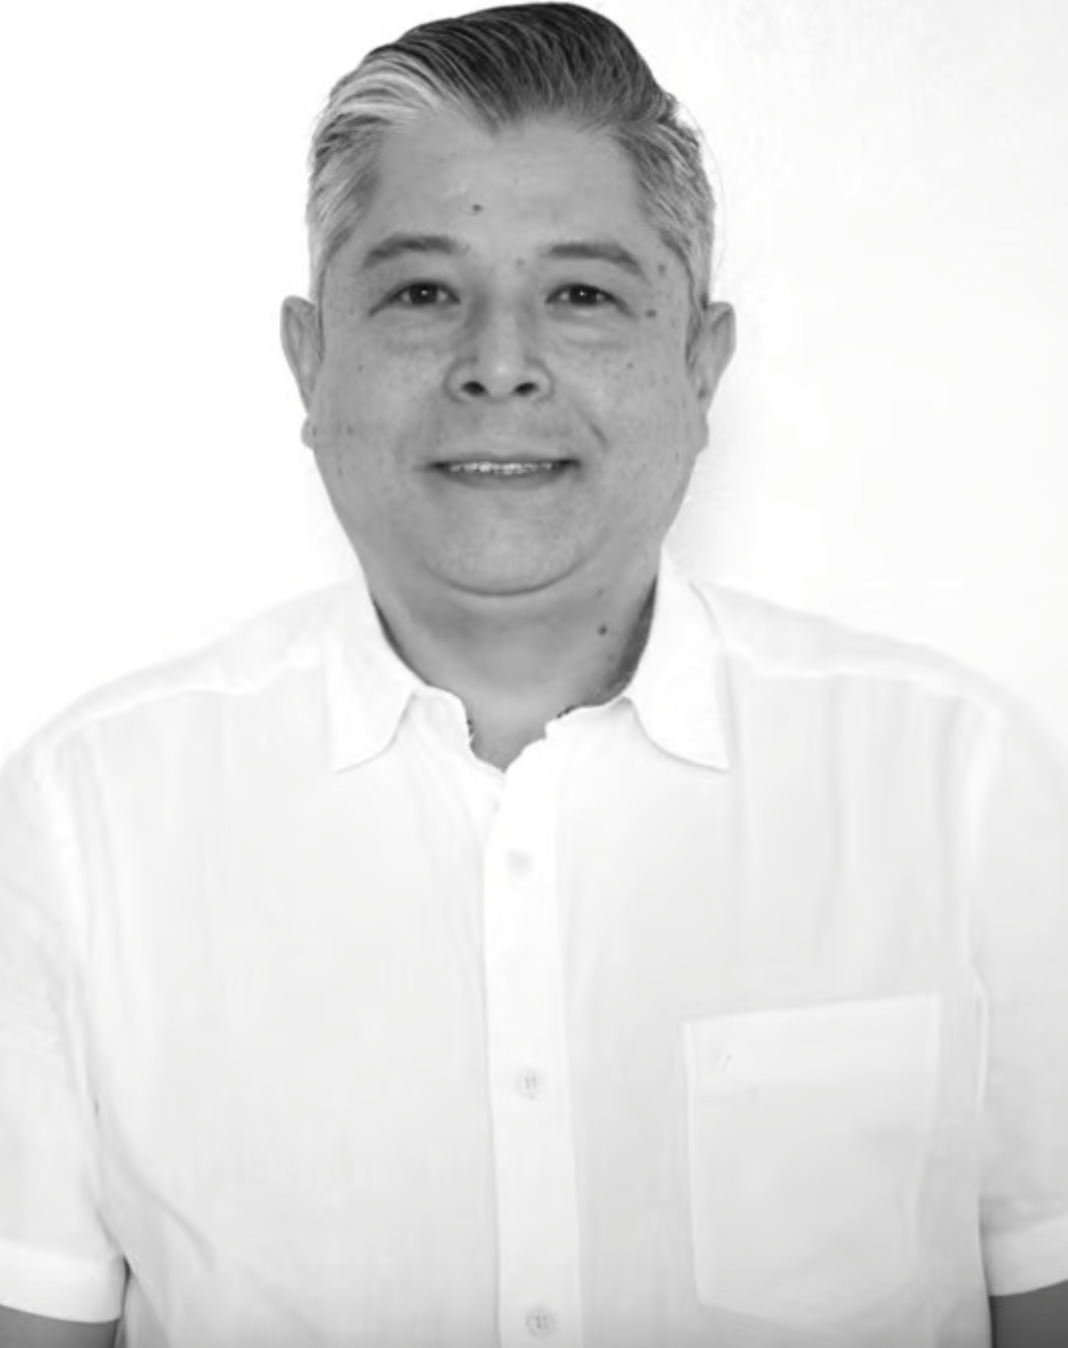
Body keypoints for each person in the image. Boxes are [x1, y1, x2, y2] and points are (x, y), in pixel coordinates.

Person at [1, 3, 1067, 1344]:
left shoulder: (958, 788)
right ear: (310, 361)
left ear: (701, 365)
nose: (499, 366)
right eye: (421, 293)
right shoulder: (84, 822)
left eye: (582, 296)